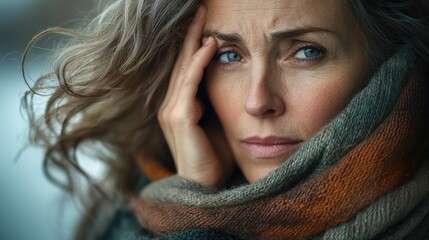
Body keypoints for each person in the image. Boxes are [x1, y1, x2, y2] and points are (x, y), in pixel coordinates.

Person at [22, 0, 429, 239]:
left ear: (385, 63)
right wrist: (191, 201)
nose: (257, 102)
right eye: (229, 56)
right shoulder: (128, 216)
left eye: (306, 52)